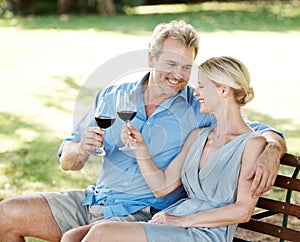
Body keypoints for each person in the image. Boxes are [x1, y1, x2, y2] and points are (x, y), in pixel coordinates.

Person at [0, 20, 286, 242]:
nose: (178, 75)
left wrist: (272, 148)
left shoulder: (199, 107)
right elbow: (68, 160)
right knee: (7, 214)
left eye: (187, 67)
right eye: (171, 64)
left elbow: (251, 130)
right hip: (96, 199)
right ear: (151, 58)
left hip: (143, 213)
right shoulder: (113, 95)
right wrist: (81, 149)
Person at [62, 56, 268, 242]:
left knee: (101, 234)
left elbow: (243, 210)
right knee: (73, 236)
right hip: (173, 220)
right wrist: (140, 147)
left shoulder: (252, 144)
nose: (195, 93)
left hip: (203, 231)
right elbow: (161, 186)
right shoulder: (198, 136)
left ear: (223, 90)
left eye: (202, 87)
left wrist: (181, 220)